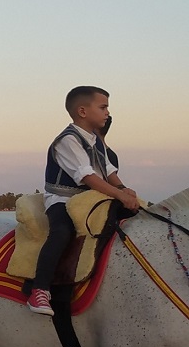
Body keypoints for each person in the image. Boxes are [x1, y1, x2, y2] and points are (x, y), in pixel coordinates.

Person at [29, 86, 139, 316]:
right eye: (103, 107)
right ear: (82, 111)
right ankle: (40, 289)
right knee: (63, 231)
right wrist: (119, 195)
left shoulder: (96, 141)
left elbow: (108, 171)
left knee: (133, 218)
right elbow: (88, 177)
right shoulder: (68, 140)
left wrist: (124, 189)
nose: (107, 112)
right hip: (63, 199)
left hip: (89, 199)